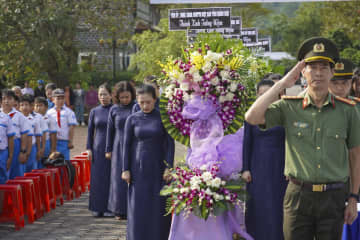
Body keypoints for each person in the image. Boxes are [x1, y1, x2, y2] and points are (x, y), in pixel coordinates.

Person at [245, 37, 360, 239]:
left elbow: (355, 156)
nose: (318, 73)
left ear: (332, 72)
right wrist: (282, 84)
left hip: (333, 195)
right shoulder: (289, 107)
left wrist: (353, 197)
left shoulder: (348, 111)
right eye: (312, 67)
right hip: (298, 195)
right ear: (302, 72)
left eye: (324, 67)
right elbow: (252, 117)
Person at [122, 84, 175, 240]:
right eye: (141, 102)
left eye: (148, 102)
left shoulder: (163, 118)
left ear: (155, 99)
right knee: (137, 205)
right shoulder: (132, 119)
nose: (145, 106)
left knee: (158, 205)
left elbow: (170, 144)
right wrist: (125, 169)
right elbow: (125, 145)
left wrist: (169, 167)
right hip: (137, 169)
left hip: (158, 167)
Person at [241, 80, 287, 240]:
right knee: (258, 207)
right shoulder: (252, 115)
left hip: (280, 166)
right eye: (262, 95)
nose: (265, 98)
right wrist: (245, 168)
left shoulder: (284, 113)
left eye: (270, 94)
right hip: (257, 167)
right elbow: (247, 143)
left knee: (278, 207)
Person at [106, 81, 136, 220]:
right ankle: (118, 209)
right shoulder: (114, 109)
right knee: (117, 179)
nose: (125, 100)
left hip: (133, 145)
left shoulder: (136, 107)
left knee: (133, 177)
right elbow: (110, 131)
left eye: (127, 97)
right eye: (122, 97)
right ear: (117, 96)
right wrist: (108, 149)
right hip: (118, 146)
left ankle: (132, 208)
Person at [86, 83, 113, 217]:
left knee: (109, 178)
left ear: (111, 95)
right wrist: (88, 148)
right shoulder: (94, 111)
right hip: (97, 148)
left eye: (105, 94)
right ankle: (96, 207)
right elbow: (90, 131)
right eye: (100, 94)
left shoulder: (115, 110)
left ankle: (109, 207)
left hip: (112, 149)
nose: (103, 97)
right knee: (97, 178)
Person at [1, 90, 31, 178]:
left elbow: (24, 135)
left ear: (14, 101)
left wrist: (23, 151)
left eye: (10, 99)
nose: (6, 101)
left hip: (16, 144)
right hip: (2, 146)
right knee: (3, 171)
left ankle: (16, 191)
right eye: (4, 99)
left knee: (16, 172)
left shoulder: (19, 116)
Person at [47, 89, 77, 160]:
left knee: (65, 161)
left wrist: (70, 141)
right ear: (53, 99)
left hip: (64, 141)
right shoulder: (49, 113)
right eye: (58, 98)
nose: (60, 100)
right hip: (52, 141)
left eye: (62, 98)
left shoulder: (69, 112)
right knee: (52, 162)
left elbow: (71, 127)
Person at [19, 94, 42, 172]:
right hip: (20, 148)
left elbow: (38, 136)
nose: (24, 107)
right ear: (19, 107)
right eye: (22, 105)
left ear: (31, 107)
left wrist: (39, 150)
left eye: (26, 105)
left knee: (32, 168)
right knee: (21, 169)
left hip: (32, 148)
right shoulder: (17, 119)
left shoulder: (34, 120)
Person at [0, 92, 15, 184]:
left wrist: (10, 156)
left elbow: (10, 138)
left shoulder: (6, 118)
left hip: (2, 152)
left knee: (3, 176)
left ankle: (2, 198)